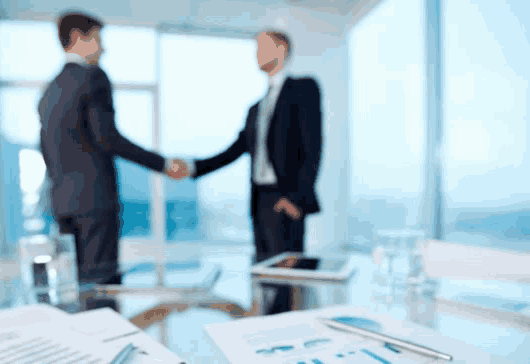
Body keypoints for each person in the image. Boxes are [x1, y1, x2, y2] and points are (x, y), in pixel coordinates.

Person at [38, 11, 188, 310]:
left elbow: (45, 147)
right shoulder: (93, 76)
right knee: (102, 287)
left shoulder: (50, 90)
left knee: (77, 288)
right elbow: (107, 138)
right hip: (94, 201)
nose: (103, 48)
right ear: (79, 38)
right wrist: (162, 164)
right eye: (98, 39)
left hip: (63, 204)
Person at [184, 29, 323, 315]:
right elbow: (235, 150)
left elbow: (313, 145)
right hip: (260, 200)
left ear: (282, 49)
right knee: (264, 274)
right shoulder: (255, 109)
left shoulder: (304, 88)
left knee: (288, 277)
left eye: (262, 47)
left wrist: (297, 198)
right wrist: (193, 167)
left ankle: (289, 338)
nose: (256, 54)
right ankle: (266, 334)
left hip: (285, 198)